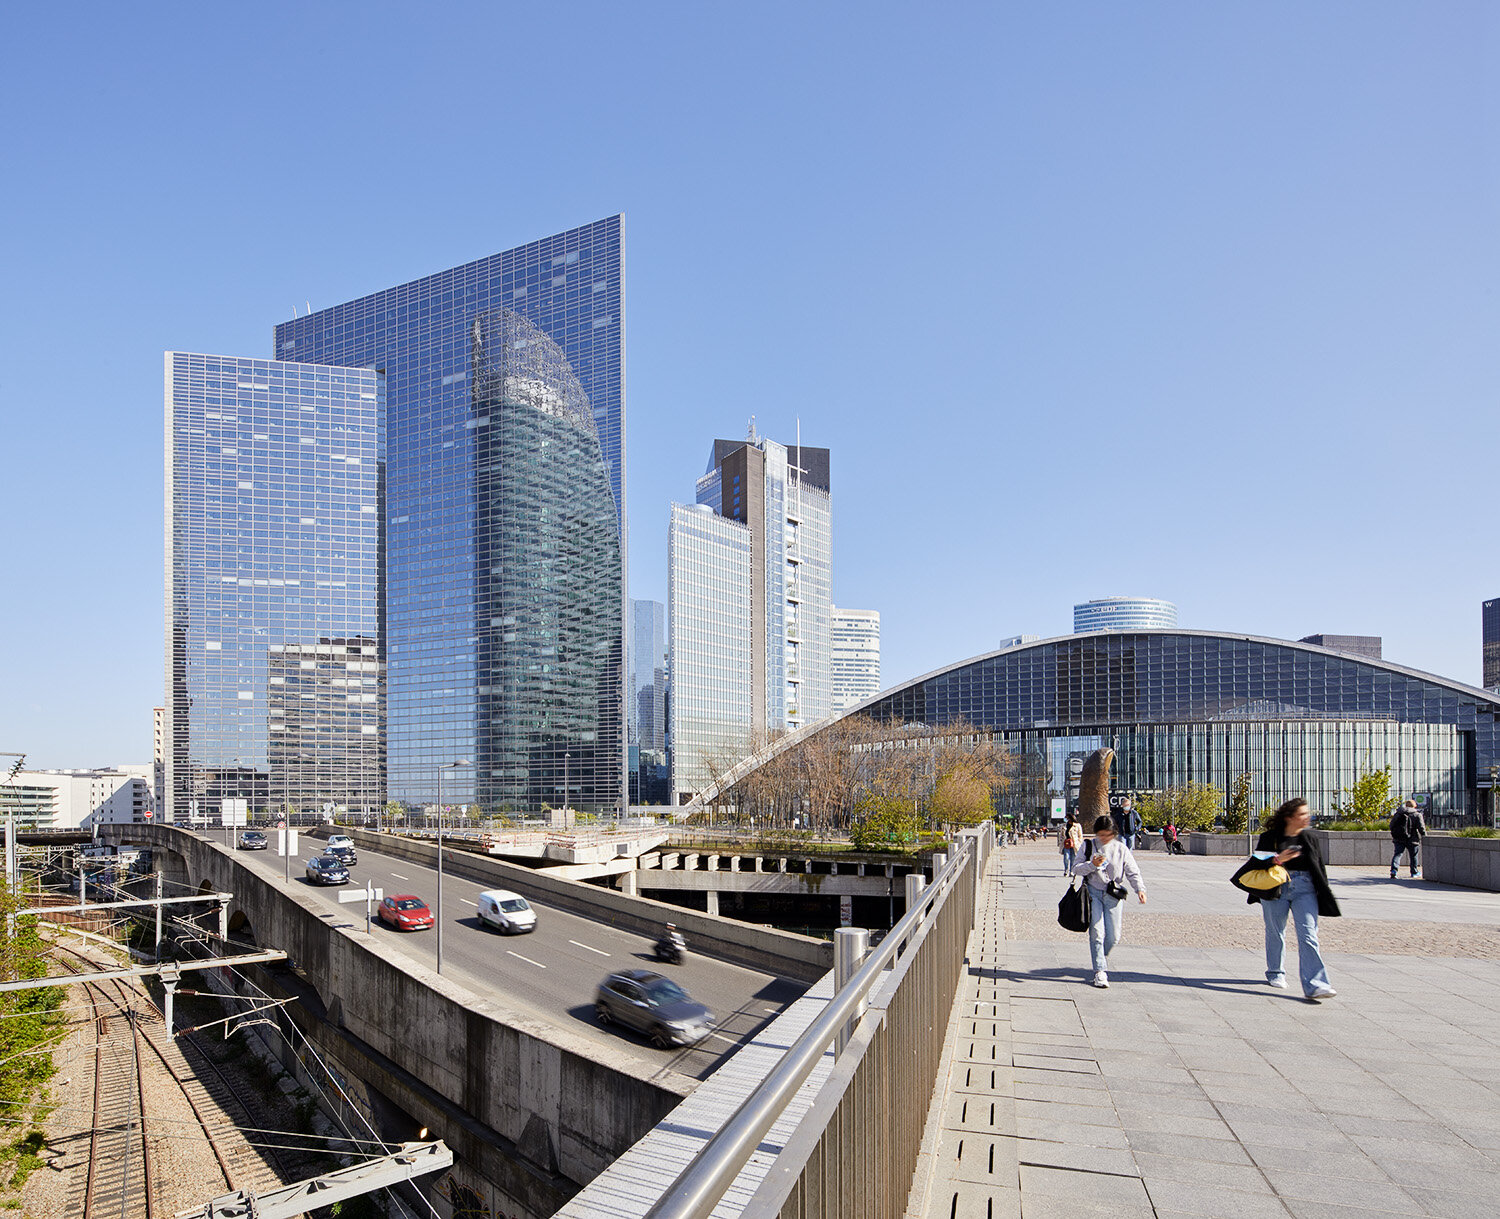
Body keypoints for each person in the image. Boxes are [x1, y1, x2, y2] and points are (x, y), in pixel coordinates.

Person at [1247, 798, 1340, 999]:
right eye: (1302, 814)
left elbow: (1320, 869)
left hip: (1305, 889)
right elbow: (1255, 864)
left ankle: (1316, 984)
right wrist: (1279, 859)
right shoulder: (1270, 837)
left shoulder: (1310, 838)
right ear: (1289, 817)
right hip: (1276, 887)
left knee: (1309, 935)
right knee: (1275, 931)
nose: (1307, 817)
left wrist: (1323, 894)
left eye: (1307, 813)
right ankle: (1275, 973)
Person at [1072, 815, 1147, 988]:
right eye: (1101, 834)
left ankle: (1100, 958)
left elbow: (1132, 871)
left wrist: (1140, 889)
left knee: (1113, 936)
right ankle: (1100, 971)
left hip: (1113, 895)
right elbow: (1076, 868)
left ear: (1114, 833)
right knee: (1097, 933)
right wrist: (1092, 865)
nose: (1104, 838)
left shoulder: (1121, 848)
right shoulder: (1088, 845)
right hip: (1093, 892)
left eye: (1108, 835)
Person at [1389, 798, 1425, 879]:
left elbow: (1391, 825)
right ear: (1414, 806)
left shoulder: (1398, 814)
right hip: (1413, 838)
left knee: (1397, 854)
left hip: (1399, 838)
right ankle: (1414, 872)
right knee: (1413, 856)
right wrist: (1424, 836)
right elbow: (1421, 828)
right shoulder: (1417, 815)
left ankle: (1394, 870)